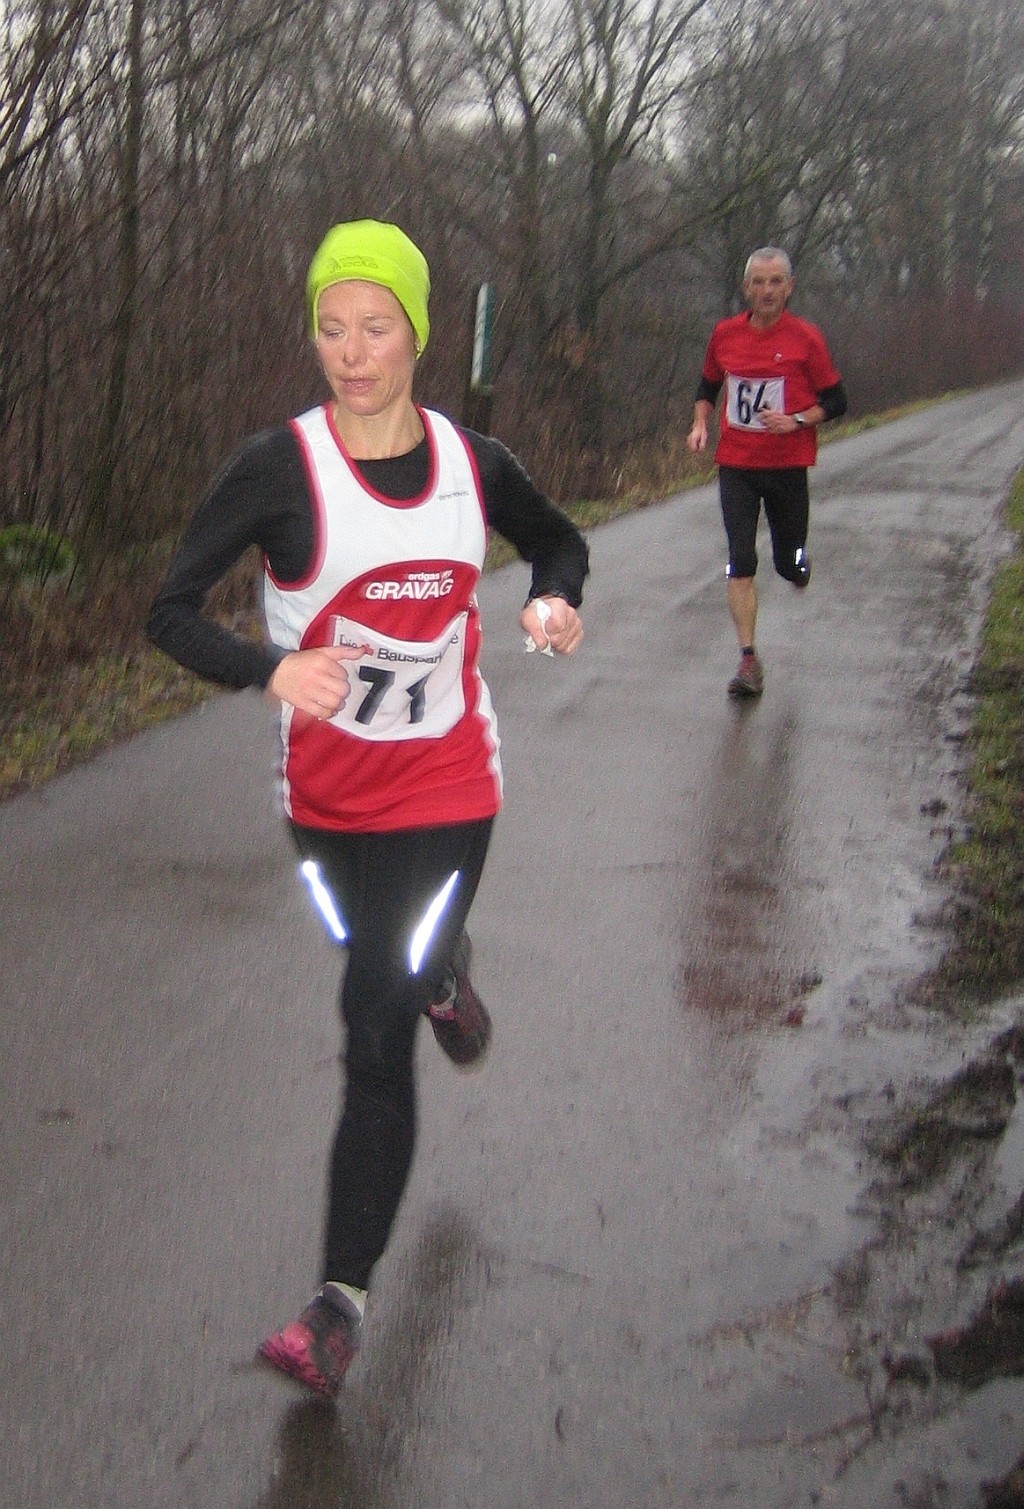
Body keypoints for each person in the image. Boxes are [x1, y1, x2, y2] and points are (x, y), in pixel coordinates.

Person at [147, 219, 588, 1397]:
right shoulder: (274, 468)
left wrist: (552, 602)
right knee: (380, 955)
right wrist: (268, 670)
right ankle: (443, 972)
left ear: (417, 337)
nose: (351, 354)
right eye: (332, 330)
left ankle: (337, 1302)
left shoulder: (469, 461)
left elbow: (555, 539)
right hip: (325, 799)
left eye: (376, 329)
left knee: (370, 1018)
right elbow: (171, 610)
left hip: (446, 784)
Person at [686, 247, 847, 696]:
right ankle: (748, 660)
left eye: (775, 282)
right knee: (740, 560)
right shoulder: (725, 335)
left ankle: (798, 565)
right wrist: (700, 422)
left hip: (787, 466)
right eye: (758, 282)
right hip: (737, 464)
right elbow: (708, 385)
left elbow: (837, 400)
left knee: (787, 560)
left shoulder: (805, 340)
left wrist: (795, 420)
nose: (767, 290)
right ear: (746, 288)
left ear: (789, 288)